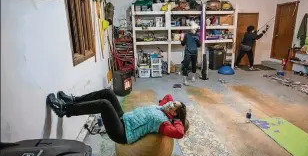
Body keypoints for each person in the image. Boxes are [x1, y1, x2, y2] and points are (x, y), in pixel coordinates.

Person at [46, 89, 188, 144]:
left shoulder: (163, 123)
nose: (169, 103)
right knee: (108, 93)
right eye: (171, 102)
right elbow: (167, 96)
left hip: (122, 132)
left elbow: (179, 133)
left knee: (104, 104)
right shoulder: (162, 107)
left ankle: (64, 109)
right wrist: (175, 105)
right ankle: (73, 100)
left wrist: (176, 119)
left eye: (172, 105)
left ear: (174, 114)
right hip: (124, 118)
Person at [181, 21, 201, 85]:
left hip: (194, 52)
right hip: (188, 52)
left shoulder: (197, 36)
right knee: (186, 66)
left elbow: (199, 45)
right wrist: (182, 39)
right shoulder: (187, 35)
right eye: (195, 29)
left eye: (196, 29)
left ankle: (193, 77)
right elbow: (183, 44)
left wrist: (197, 41)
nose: (195, 30)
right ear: (192, 29)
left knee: (193, 65)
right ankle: (185, 80)